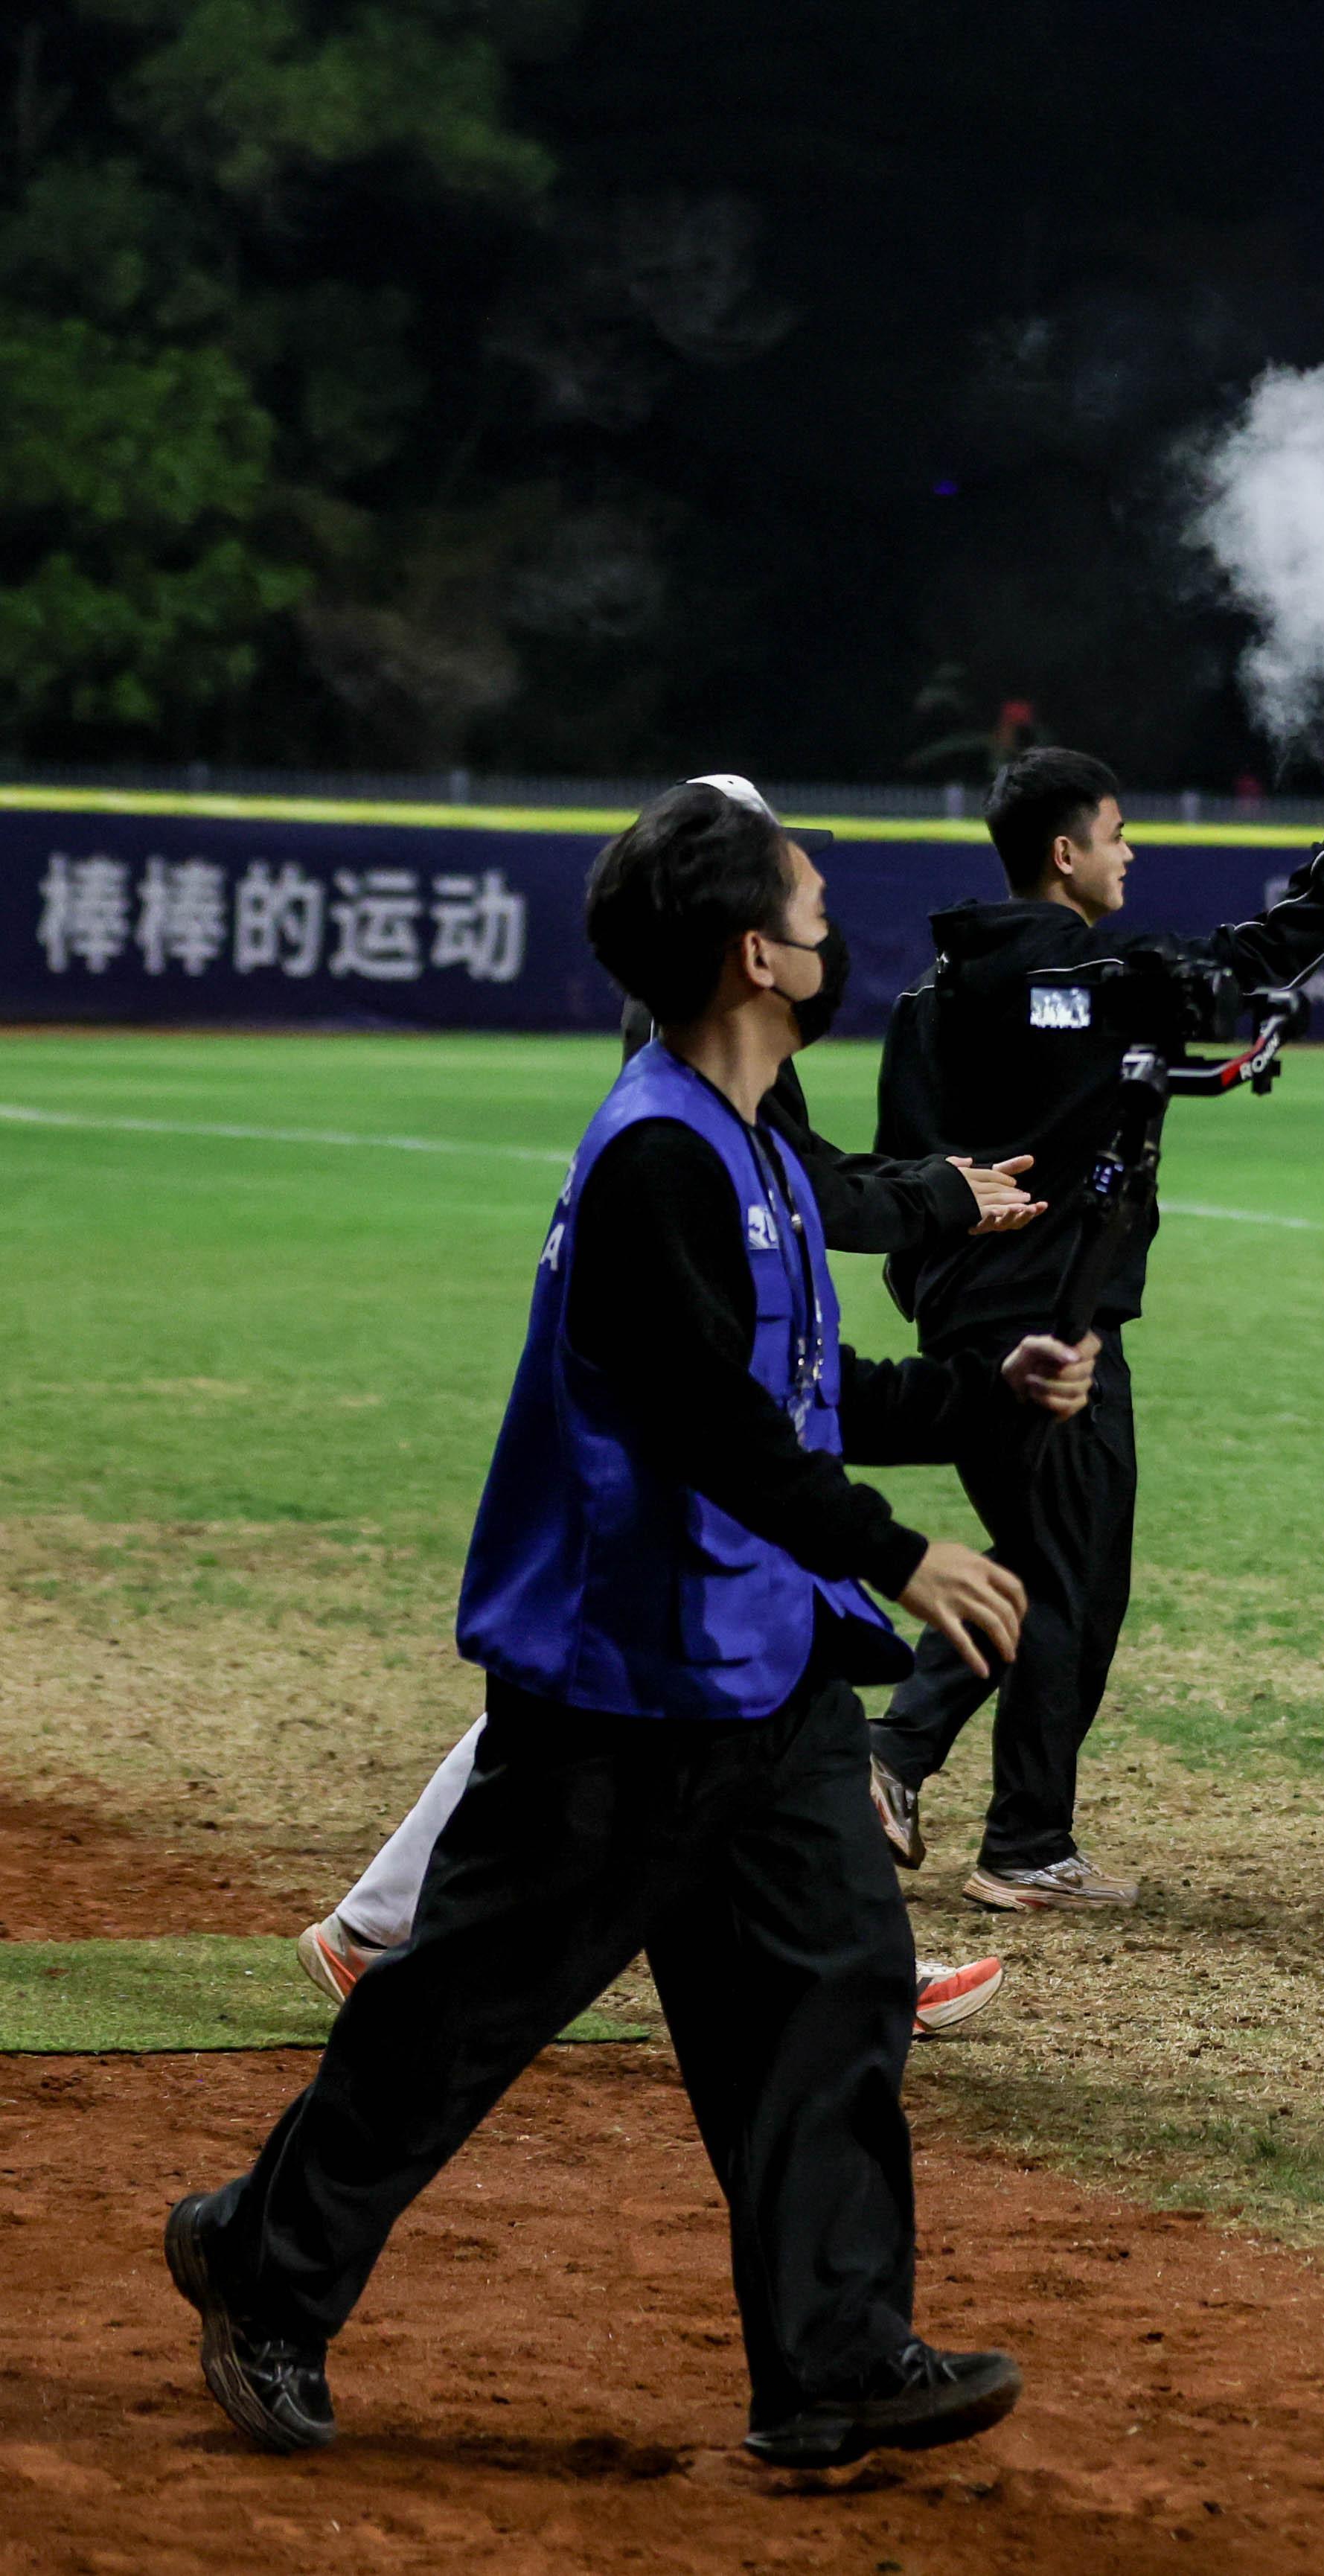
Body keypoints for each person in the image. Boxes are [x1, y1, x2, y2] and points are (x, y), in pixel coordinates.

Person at [166, 784, 1101, 2466]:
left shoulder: (745, 1137)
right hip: (622, 1673)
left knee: (833, 1995)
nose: (833, 931)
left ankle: (831, 2360)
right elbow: (698, 1419)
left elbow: (796, 1388)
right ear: (758, 953)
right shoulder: (660, 1148)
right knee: (463, 2008)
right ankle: (264, 2266)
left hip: (764, 1661)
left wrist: (987, 1389)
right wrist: (900, 1550)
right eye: (812, 907)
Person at [294, 779, 1039, 2038]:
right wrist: (940, 1205)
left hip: (703, 1517)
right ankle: (382, 1959)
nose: (821, 914)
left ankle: (847, 1962)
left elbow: (802, 1304)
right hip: (663, 1517)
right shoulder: (680, 1106)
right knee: (585, 1758)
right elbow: (778, 1280)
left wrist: (959, 1386)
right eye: (797, 890)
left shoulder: (703, 1065)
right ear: (737, 928)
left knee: (675, 1743)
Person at [869, 744, 1324, 1911]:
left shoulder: (933, 989)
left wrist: (935, 1296)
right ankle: (1018, 1842)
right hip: (1054, 1330)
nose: (1132, 852)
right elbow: (1258, 959)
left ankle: (898, 1761)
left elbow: (897, 1168)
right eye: (1117, 835)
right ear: (1065, 855)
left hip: (959, 1315)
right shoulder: (1117, 972)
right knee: (1075, 1577)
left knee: (1039, 1557)